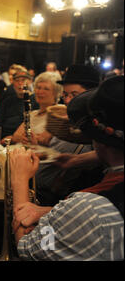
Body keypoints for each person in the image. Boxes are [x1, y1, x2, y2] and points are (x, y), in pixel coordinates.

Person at [0, 75, 124, 261]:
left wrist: (19, 180)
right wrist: (49, 210)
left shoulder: (89, 207)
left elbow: (26, 249)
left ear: (99, 141)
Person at [34, 64, 102, 205]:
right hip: (36, 187)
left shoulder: (99, 125)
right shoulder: (67, 121)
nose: (68, 100)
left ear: (92, 95)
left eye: (74, 95)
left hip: (53, 200)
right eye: (65, 95)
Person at [11, 71, 62, 146]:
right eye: (38, 87)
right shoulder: (33, 114)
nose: (40, 91)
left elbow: (44, 140)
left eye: (46, 89)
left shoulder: (58, 113)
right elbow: (15, 136)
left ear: (56, 93)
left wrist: (25, 137)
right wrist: (25, 138)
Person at [0, 67, 38, 141]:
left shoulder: (36, 100)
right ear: (13, 83)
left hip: (25, 140)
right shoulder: (7, 101)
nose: (20, 83)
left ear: (30, 82)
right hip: (5, 140)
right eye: (17, 80)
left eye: (23, 80)